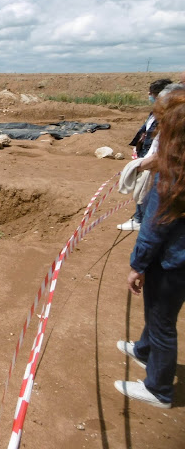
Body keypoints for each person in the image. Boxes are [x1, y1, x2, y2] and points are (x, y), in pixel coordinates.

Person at [115, 88, 185, 409]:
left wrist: (137, 264)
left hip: (171, 262)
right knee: (158, 316)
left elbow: (154, 227)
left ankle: (159, 389)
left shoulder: (174, 178)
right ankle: (144, 350)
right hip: (174, 258)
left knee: (162, 321)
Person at [117, 78, 172, 231]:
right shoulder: (155, 113)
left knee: (145, 189)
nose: (149, 95)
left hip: (152, 160)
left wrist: (145, 162)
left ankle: (140, 220)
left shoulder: (169, 118)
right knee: (143, 189)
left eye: (152, 93)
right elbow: (145, 132)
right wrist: (137, 147)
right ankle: (140, 218)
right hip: (146, 154)